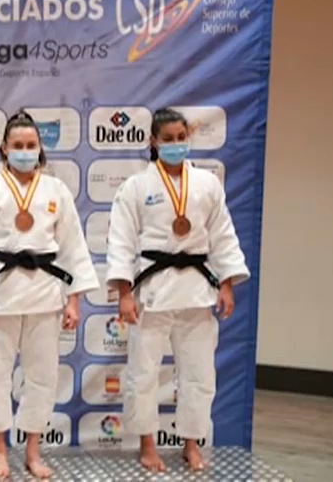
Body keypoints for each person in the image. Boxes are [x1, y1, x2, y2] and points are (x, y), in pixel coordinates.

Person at [0, 110, 99, 479]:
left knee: (42, 377)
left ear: (40, 147)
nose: (25, 151)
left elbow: (73, 247)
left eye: (31, 145)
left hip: (45, 294)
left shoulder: (56, 190)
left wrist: (74, 299)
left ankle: (33, 451)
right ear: (4, 147)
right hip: (0, 294)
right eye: (18, 145)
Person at [106, 107, 249, 472]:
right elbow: (120, 242)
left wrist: (227, 284)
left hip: (197, 290)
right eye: (168, 139)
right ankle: (147, 444)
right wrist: (124, 293)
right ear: (153, 141)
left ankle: (191, 443)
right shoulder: (136, 187)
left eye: (181, 138)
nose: (175, 144)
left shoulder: (207, 184)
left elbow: (223, 236)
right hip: (152, 290)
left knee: (199, 374)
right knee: (143, 373)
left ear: (189, 138)